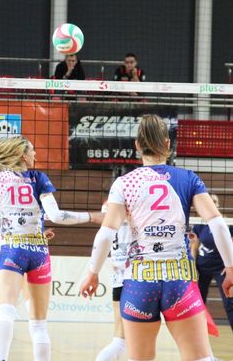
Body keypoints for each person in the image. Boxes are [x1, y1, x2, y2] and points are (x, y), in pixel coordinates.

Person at [80, 114, 233, 361]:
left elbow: (106, 234)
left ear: (137, 146)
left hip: (140, 281)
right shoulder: (188, 178)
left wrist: (92, 272)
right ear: (167, 144)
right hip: (179, 280)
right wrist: (230, 267)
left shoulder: (123, 183)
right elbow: (218, 225)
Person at [0, 136, 103, 361]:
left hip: (12, 247)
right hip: (39, 250)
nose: (35, 154)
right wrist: (92, 216)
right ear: (23, 156)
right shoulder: (39, 178)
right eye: (32, 150)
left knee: (6, 310)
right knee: (39, 325)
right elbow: (56, 216)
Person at [0, 195, 55, 361]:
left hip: (29, 250)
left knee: (33, 308)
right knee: (5, 306)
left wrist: (38, 235)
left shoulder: (34, 189)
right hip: (2, 252)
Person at [95, 195, 130, 361]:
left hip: (118, 277)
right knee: (125, 342)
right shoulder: (131, 206)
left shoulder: (108, 208)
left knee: (120, 339)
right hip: (137, 277)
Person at [190, 194, 233, 331]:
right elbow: (194, 246)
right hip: (202, 267)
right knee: (198, 301)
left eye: (215, 201)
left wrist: (230, 265)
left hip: (221, 268)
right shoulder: (199, 224)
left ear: (218, 204)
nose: (212, 203)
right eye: (210, 201)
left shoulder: (226, 223)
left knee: (229, 302)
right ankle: (198, 331)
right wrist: (192, 266)